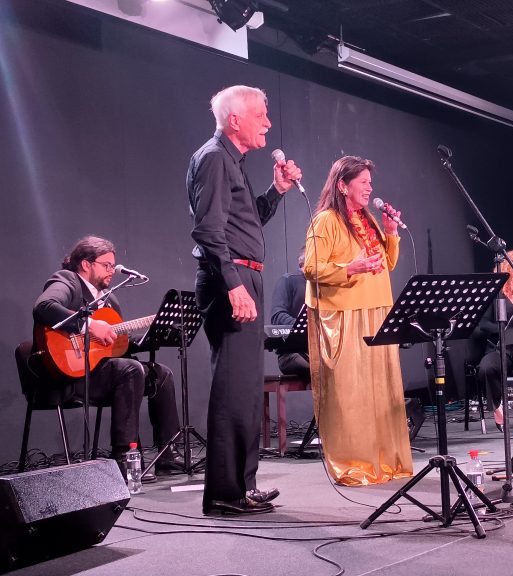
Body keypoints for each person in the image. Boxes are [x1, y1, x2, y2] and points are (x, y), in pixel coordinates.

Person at [187, 84, 302, 516]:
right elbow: (208, 231)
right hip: (229, 279)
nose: (268, 123)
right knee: (233, 390)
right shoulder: (215, 158)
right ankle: (223, 493)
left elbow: (245, 221)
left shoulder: (232, 161)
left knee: (247, 390)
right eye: (261, 116)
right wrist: (234, 284)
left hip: (243, 276)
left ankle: (242, 485)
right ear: (236, 120)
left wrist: (275, 191)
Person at [32, 235, 182, 480]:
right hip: (68, 376)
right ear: (86, 264)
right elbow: (44, 307)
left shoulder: (109, 300)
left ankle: (167, 453)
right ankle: (124, 457)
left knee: (160, 374)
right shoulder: (68, 280)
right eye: (107, 265)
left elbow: (118, 347)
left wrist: (155, 335)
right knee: (130, 370)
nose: (113, 271)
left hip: (101, 372)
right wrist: (88, 325)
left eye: (114, 265)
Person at [303, 155, 413, 486]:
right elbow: (310, 268)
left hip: (377, 311)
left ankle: (383, 460)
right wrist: (350, 268)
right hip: (345, 316)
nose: (370, 187)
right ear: (342, 185)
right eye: (363, 182)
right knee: (352, 395)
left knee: (380, 392)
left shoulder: (367, 219)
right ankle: (354, 462)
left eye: (370, 182)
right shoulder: (325, 220)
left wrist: (391, 232)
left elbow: (387, 264)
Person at [472, 250, 513, 435]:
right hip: (499, 347)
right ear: (508, 269)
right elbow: (482, 324)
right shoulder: (495, 293)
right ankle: (496, 406)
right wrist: (503, 327)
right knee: (487, 366)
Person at [269, 247, 309, 381]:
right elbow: (277, 315)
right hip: (292, 354)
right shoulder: (288, 280)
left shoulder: (323, 285)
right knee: (319, 368)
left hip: (320, 352)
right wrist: (303, 326)